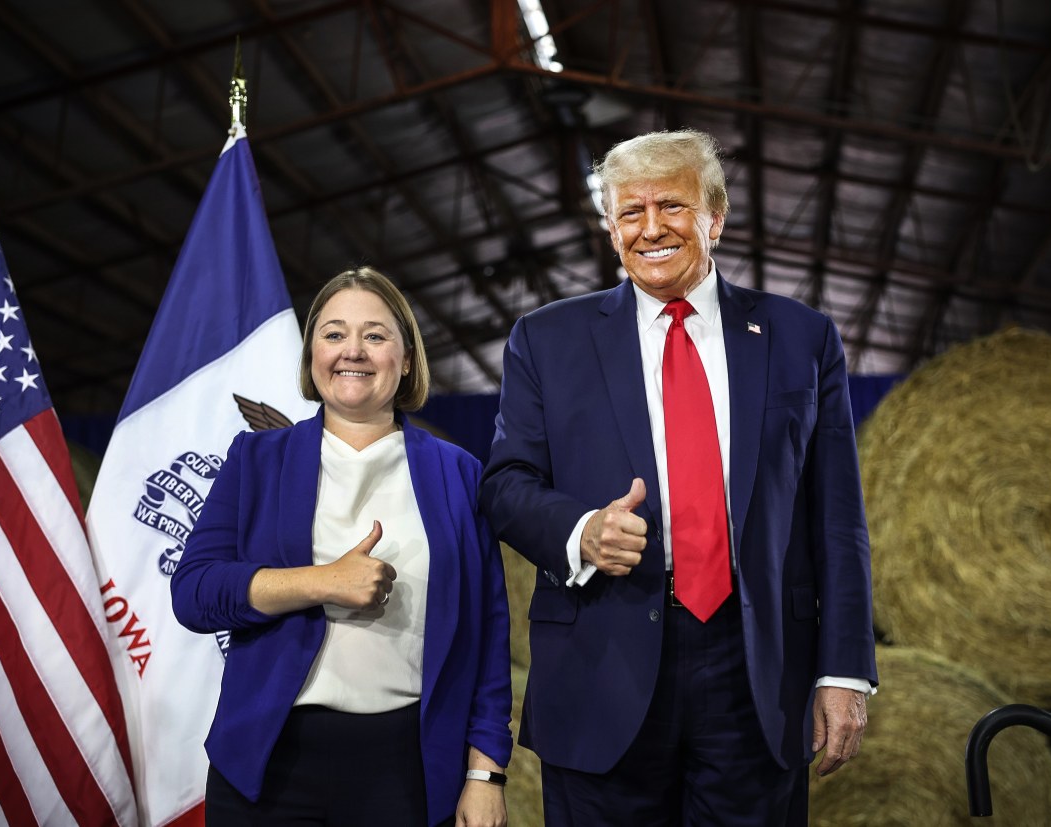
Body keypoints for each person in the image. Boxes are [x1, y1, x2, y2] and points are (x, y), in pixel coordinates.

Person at [479, 129, 877, 825]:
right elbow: (506, 483)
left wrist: (843, 669)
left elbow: (836, 518)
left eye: (671, 205)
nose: (651, 227)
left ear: (714, 217)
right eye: (630, 212)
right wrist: (581, 531)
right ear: (611, 230)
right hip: (602, 656)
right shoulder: (546, 339)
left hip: (756, 668)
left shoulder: (801, 337)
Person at [172, 266, 513, 827]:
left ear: (407, 359)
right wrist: (322, 582)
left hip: (409, 769)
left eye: (375, 335)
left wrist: (485, 774)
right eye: (333, 334)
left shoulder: (459, 473)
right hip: (269, 766)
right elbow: (194, 594)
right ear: (313, 353)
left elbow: (488, 636)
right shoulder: (255, 460)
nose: (352, 350)